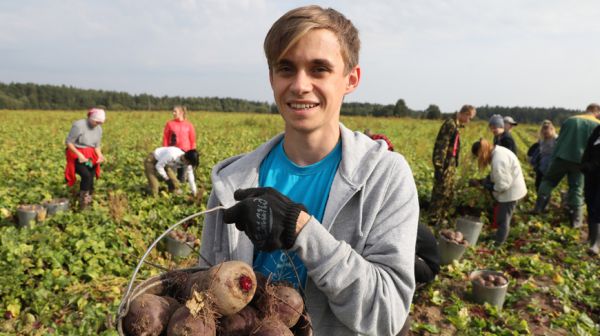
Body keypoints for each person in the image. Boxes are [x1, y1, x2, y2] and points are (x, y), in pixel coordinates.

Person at [198, 6, 419, 335]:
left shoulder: (384, 178)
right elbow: (205, 291)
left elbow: (385, 315)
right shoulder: (233, 182)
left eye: (319, 69)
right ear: (272, 78)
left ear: (350, 79)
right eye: (286, 68)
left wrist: (299, 229)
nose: (300, 85)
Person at [533, 103, 600, 228]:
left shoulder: (570, 120)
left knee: (548, 180)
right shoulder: (597, 125)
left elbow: (560, 140)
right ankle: (576, 221)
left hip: (561, 157)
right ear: (596, 111)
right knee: (576, 188)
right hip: (580, 162)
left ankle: (539, 207)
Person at [470, 139, 527, 246]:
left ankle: (498, 244)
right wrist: (484, 181)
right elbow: (497, 176)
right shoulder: (498, 151)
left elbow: (503, 185)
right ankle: (498, 237)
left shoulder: (498, 160)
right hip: (512, 187)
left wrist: (488, 186)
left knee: (503, 220)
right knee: (502, 216)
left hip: (511, 193)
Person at [429, 104, 476, 228]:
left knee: (448, 192)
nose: (469, 120)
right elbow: (441, 146)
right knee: (440, 191)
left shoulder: (456, 125)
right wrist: (439, 166)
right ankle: (433, 219)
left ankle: (442, 218)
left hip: (451, 164)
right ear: (464, 113)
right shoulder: (450, 124)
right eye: (469, 117)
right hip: (445, 164)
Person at [64, 107, 106, 210]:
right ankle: (83, 202)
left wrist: (100, 155)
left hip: (90, 156)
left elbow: (96, 146)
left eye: (100, 123)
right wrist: (79, 155)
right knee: (86, 175)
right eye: (97, 122)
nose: (98, 124)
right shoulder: (79, 125)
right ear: (91, 118)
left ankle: (88, 200)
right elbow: (69, 143)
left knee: (91, 176)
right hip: (76, 154)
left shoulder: (99, 129)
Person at [162, 105, 197, 181]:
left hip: (185, 153)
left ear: (181, 112)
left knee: (183, 176)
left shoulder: (189, 125)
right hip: (172, 153)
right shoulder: (169, 124)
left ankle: (182, 189)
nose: (173, 113)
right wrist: (165, 150)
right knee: (172, 175)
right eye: (173, 111)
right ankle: (172, 189)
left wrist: (192, 155)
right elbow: (165, 138)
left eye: (175, 111)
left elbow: (192, 140)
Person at [581, 123, 600, 255]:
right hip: (591, 175)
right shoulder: (598, 130)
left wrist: (592, 164)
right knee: (590, 203)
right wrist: (584, 164)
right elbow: (588, 148)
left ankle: (596, 243)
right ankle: (591, 237)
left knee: (598, 207)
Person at [527, 120, 558, 190]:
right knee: (538, 184)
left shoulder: (556, 139)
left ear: (552, 130)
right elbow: (538, 149)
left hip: (551, 165)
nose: (545, 134)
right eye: (544, 132)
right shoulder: (542, 139)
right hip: (542, 164)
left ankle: (545, 198)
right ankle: (540, 196)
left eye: (547, 132)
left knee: (546, 185)